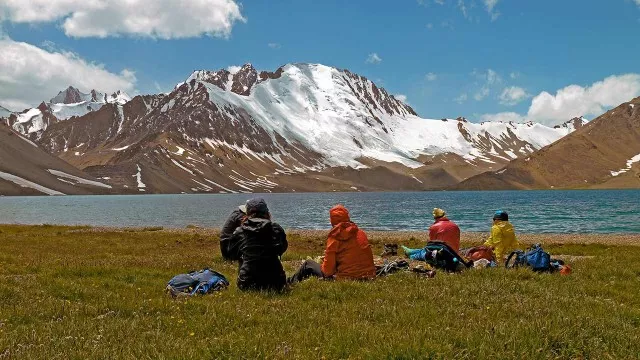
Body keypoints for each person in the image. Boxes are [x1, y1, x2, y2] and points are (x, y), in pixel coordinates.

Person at [288, 205, 375, 284]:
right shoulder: (361, 233)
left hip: (346, 279)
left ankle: (288, 283)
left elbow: (327, 271)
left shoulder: (335, 236)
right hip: (369, 276)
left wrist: (325, 261)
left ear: (332, 220)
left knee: (308, 264)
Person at [231, 198, 288, 291]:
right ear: (266, 213)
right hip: (276, 284)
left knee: (242, 256)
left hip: (247, 284)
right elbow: (282, 249)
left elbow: (232, 253)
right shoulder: (276, 229)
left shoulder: (240, 231)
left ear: (247, 214)